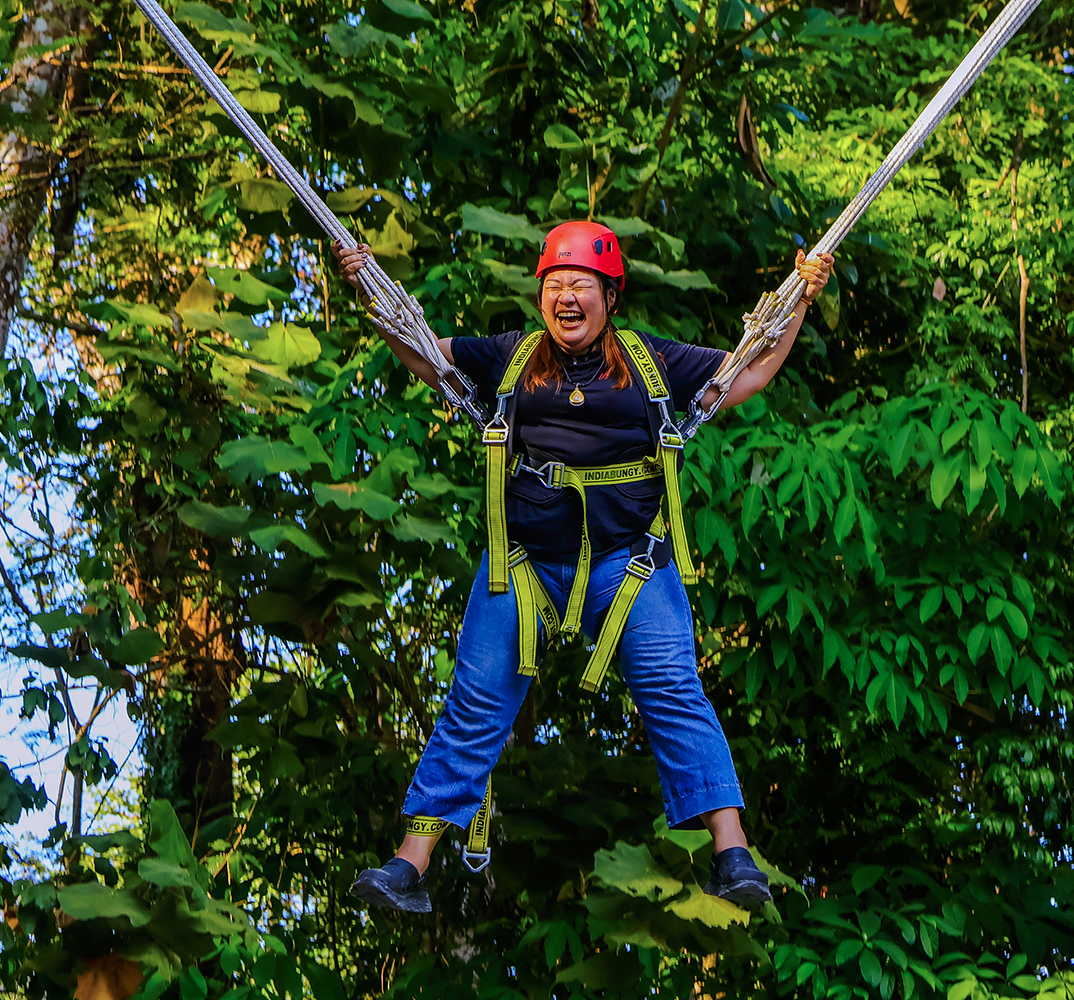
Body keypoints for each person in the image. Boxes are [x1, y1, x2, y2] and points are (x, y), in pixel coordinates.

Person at [332, 222, 832, 913]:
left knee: (674, 690)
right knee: (474, 700)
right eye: (556, 285)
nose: (566, 298)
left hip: (629, 563)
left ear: (610, 296)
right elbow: (425, 354)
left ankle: (732, 852)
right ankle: (410, 864)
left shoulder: (649, 361)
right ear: (542, 293)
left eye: (581, 286)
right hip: (526, 564)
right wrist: (369, 287)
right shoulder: (511, 356)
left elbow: (746, 370)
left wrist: (799, 300)